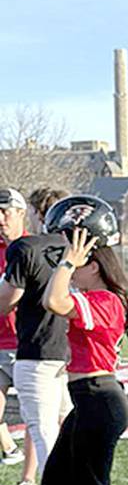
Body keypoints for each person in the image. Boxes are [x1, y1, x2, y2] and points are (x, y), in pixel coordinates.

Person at [18, 199, 128, 485]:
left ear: (94, 266)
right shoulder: (98, 298)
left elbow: (52, 301)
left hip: (100, 399)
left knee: (91, 483)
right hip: (89, 398)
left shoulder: (105, 301)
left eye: (77, 261)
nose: (66, 267)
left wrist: (67, 263)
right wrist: (68, 263)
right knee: (57, 475)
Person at [0, 188, 72, 485]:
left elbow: (5, 301)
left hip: (36, 348)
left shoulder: (28, 248)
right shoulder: (72, 251)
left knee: (44, 430)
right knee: (62, 429)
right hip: (65, 350)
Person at [0, 187, 27, 465]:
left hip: (30, 342)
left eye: (5, 211)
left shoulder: (36, 246)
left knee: (39, 419)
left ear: (20, 213)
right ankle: (9, 447)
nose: (0, 218)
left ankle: (30, 481)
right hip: (0, 340)